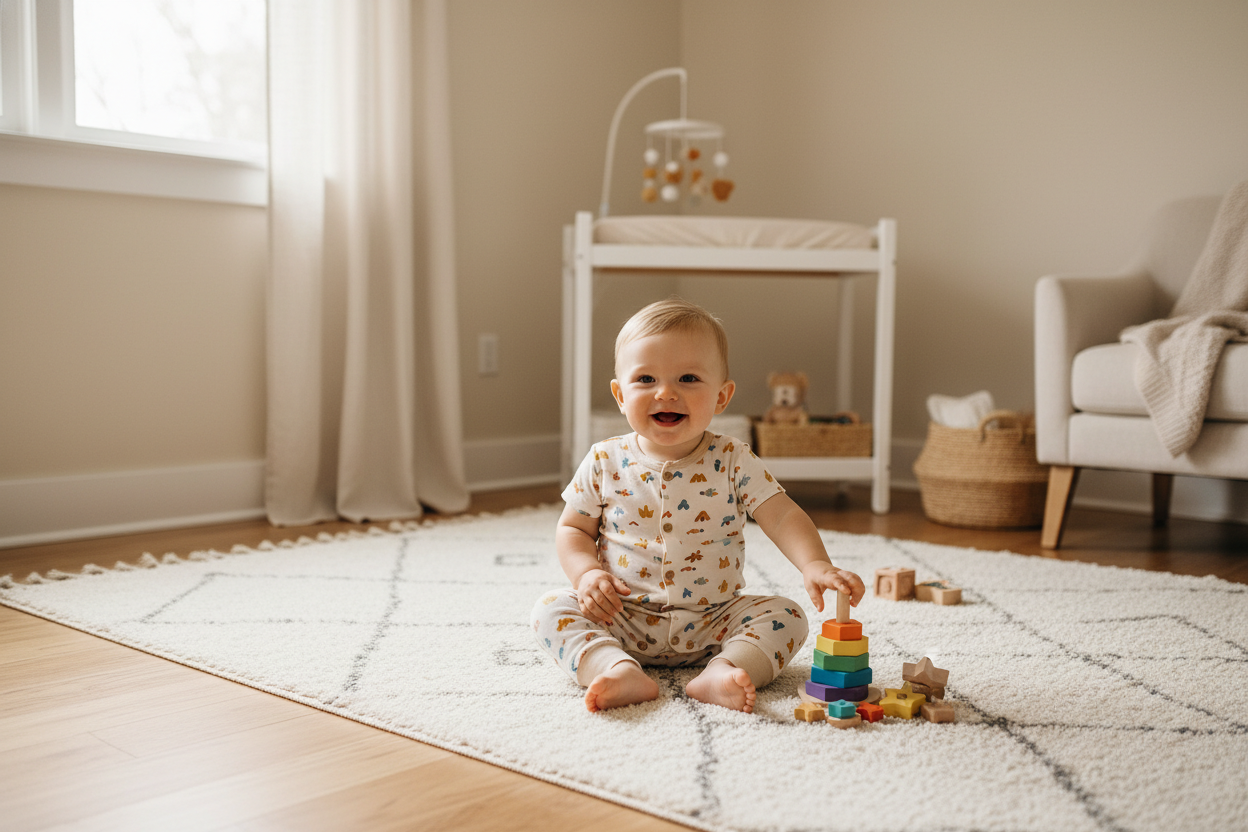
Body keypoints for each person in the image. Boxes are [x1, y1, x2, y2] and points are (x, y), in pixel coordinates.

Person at [532, 298, 865, 713]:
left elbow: (780, 514)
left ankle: (724, 670)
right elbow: (573, 530)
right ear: (620, 394)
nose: (666, 392)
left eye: (688, 378)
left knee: (789, 616)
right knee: (551, 609)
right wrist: (586, 576)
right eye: (646, 379)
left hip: (715, 619)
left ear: (722, 396)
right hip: (621, 616)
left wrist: (814, 563)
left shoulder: (733, 458)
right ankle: (615, 667)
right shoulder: (604, 460)